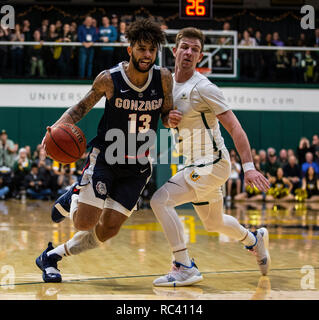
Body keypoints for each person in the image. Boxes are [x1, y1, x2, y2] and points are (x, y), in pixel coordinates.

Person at [35, 18, 181, 283]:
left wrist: (170, 118)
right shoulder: (109, 79)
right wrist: (54, 130)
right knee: (83, 222)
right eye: (141, 49)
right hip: (106, 158)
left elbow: (165, 111)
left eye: (151, 50)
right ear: (130, 49)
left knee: (108, 229)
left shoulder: (164, 78)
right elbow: (80, 108)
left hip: (138, 167)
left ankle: (51, 257)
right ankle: (74, 194)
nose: (147, 55)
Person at [150, 27, 270, 287]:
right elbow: (169, 118)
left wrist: (249, 167)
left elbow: (235, 127)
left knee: (160, 201)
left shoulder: (205, 87)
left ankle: (183, 265)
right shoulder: (168, 83)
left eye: (195, 49)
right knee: (214, 223)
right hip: (195, 164)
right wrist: (167, 120)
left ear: (200, 57)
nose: (189, 52)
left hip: (212, 164)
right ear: (174, 51)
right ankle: (253, 239)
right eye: (185, 47)